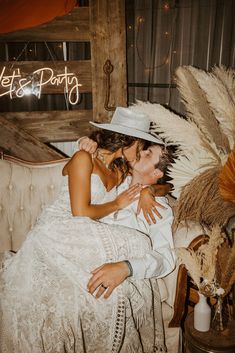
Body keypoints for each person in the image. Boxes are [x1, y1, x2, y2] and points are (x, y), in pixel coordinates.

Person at [0, 107, 168, 353]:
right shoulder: (83, 158)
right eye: (140, 146)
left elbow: (161, 183)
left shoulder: (120, 169)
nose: (141, 152)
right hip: (58, 231)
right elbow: (80, 212)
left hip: (83, 234)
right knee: (140, 243)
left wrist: (148, 191)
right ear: (127, 142)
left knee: (113, 287)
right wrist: (117, 203)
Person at [77, 140, 175, 299]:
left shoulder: (158, 207)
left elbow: (165, 258)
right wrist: (84, 143)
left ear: (157, 173)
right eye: (144, 150)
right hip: (83, 250)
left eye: (148, 154)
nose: (141, 152)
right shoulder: (115, 176)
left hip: (115, 271)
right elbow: (83, 166)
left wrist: (126, 268)